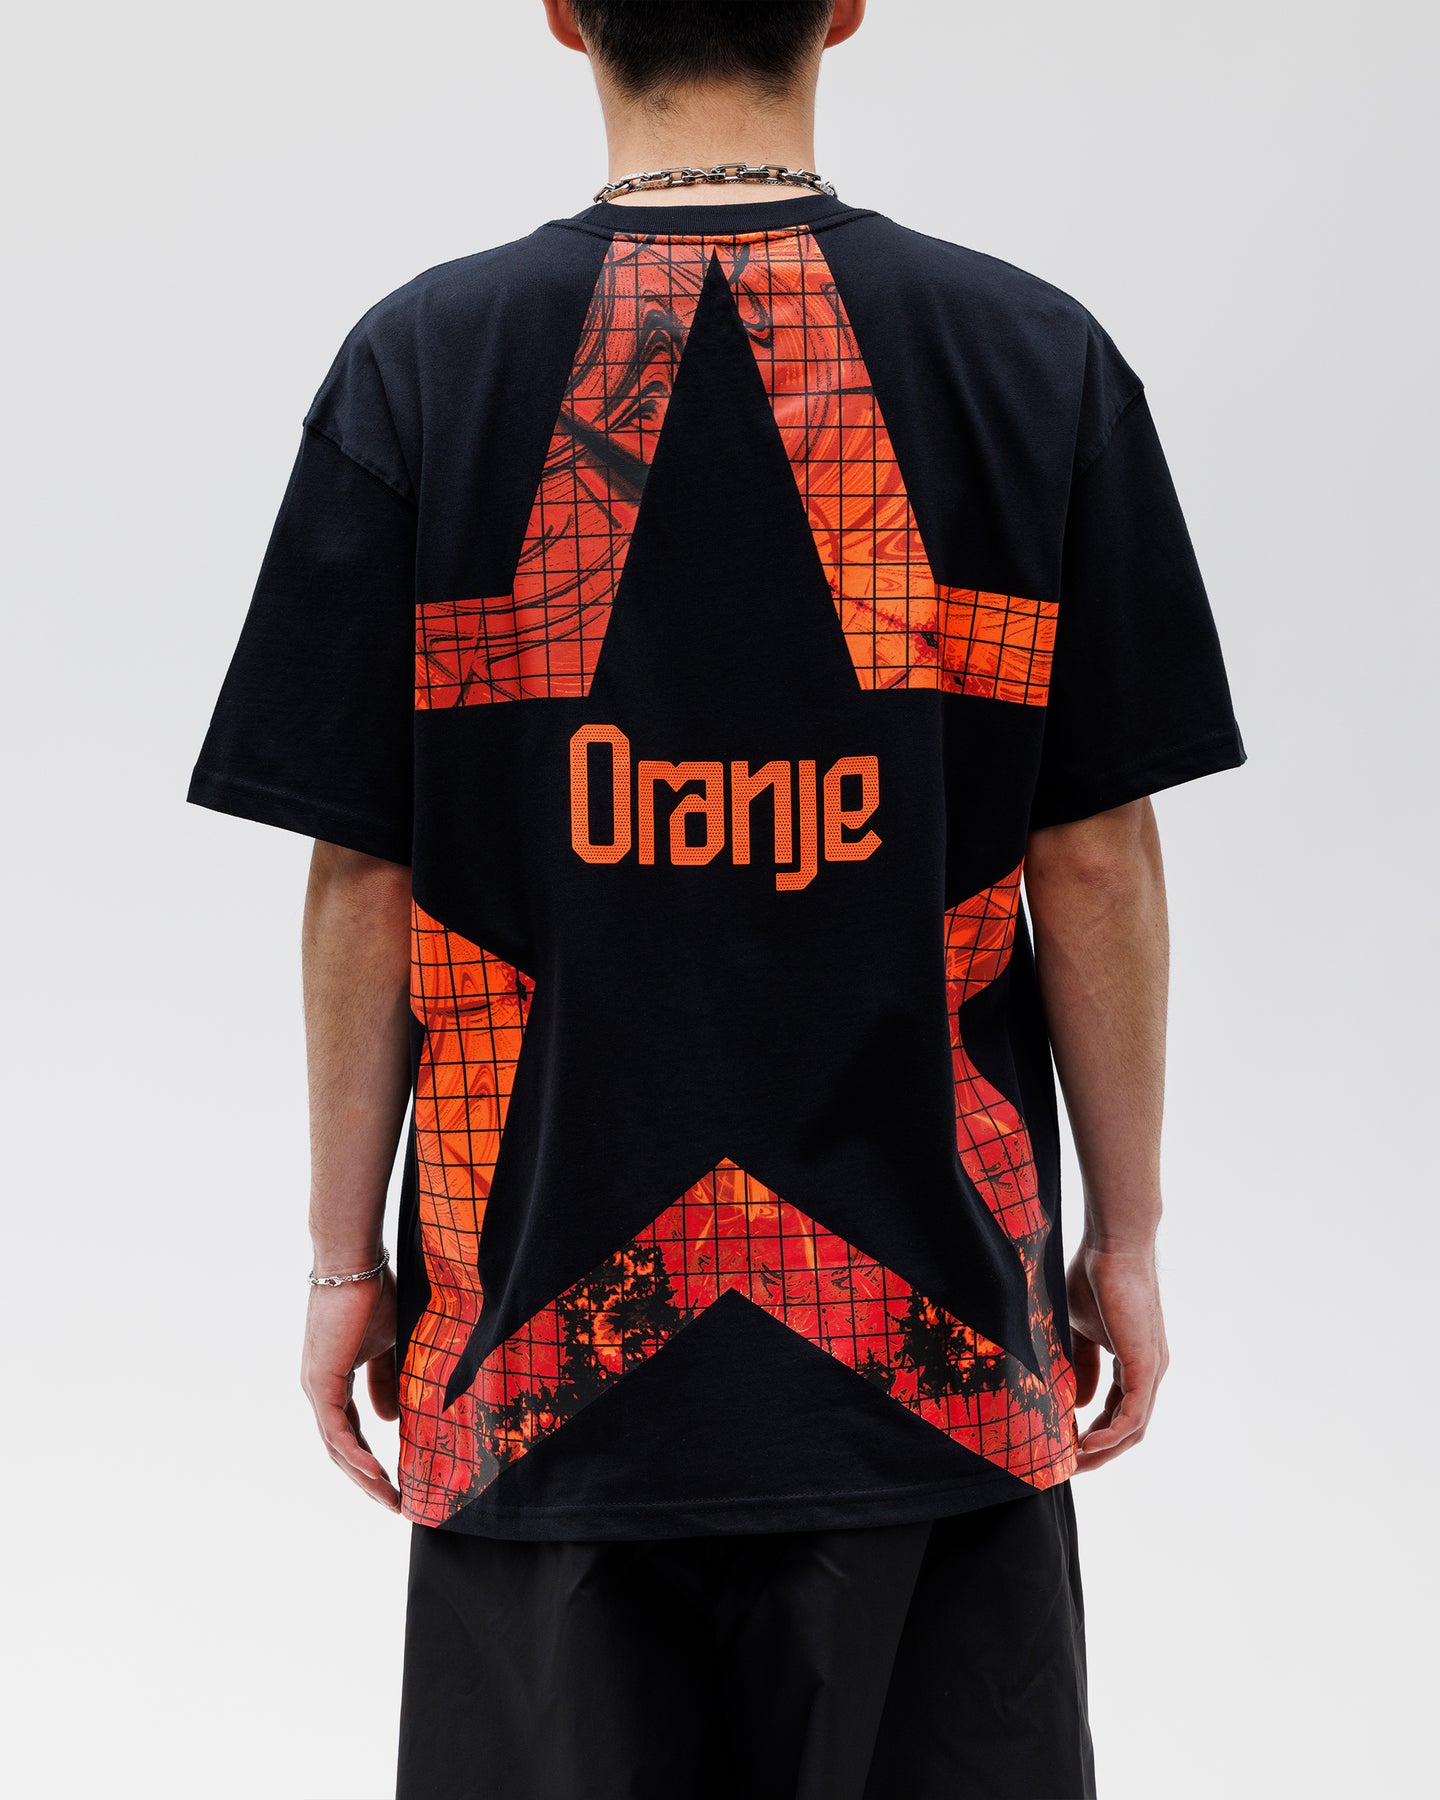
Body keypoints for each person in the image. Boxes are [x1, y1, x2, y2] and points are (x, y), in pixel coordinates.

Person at [186, 2, 1245, 1794]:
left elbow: (364, 867)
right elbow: (1091, 853)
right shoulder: (1032, 357)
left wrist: (344, 1262)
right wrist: (1125, 1241)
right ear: (844, 4)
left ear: (564, 10)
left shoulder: (422, 365)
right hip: (933, 1374)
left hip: (539, 1381)